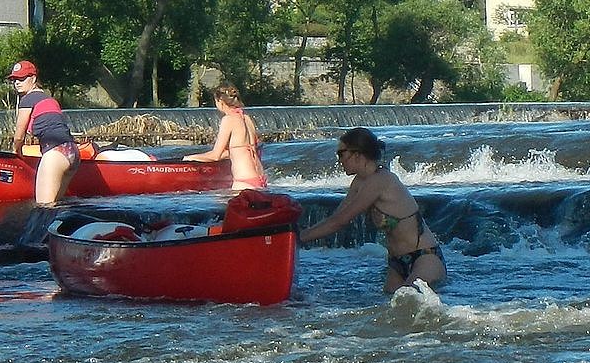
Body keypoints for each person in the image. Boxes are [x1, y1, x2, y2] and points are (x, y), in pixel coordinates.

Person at [298, 126, 446, 292]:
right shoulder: (359, 182)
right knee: (390, 309)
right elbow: (336, 217)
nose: (339, 160)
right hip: (397, 262)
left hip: (424, 257)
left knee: (407, 302)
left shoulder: (380, 180)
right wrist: (296, 232)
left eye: (341, 153)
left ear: (357, 154)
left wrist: (298, 238)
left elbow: (340, 222)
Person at [9, 59, 79, 205]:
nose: (17, 82)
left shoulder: (28, 100)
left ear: (33, 78)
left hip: (55, 153)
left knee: (44, 208)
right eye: (14, 79)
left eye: (22, 78)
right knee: (57, 207)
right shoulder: (50, 99)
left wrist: (16, 152)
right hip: (72, 152)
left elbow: (19, 135)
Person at [182, 84, 267, 189]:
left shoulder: (228, 120)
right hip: (260, 178)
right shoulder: (247, 119)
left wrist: (190, 158)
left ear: (220, 102)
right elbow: (242, 151)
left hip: (243, 182)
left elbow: (215, 156)